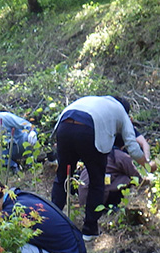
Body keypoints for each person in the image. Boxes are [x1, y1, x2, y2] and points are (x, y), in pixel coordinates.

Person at [51, 95, 153, 241]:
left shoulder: (98, 101)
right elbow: (133, 148)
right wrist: (148, 165)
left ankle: (52, 222)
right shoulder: (121, 113)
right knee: (96, 180)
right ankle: (89, 229)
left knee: (62, 177)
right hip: (88, 129)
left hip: (64, 125)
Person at [78, 142, 145, 208]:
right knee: (127, 178)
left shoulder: (97, 153)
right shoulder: (120, 156)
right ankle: (113, 206)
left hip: (83, 196)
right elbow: (137, 177)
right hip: (97, 197)